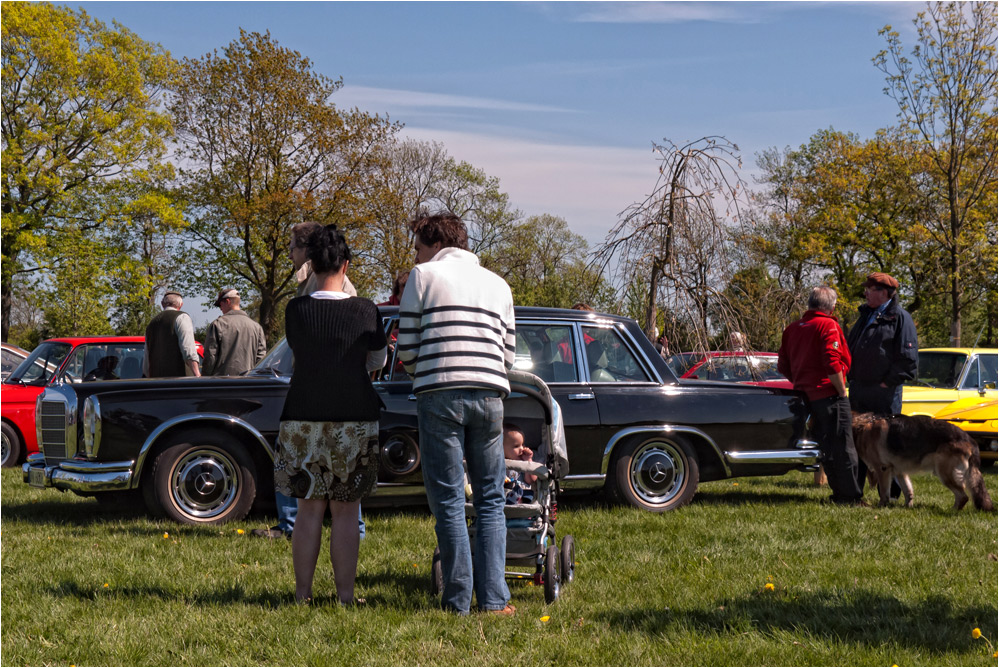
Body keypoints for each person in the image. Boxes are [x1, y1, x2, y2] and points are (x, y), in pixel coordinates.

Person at [396, 212, 517, 616]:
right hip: (490, 395)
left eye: (417, 246)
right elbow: (509, 353)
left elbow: (407, 346)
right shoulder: (499, 285)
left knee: (448, 498)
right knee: (490, 499)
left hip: (439, 392)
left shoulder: (423, 276)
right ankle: (495, 599)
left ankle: (458, 599)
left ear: (433, 244)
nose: (416, 254)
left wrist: (423, 373)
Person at [272, 224, 387, 605]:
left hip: (302, 413)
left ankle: (302, 593)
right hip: (353, 414)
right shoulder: (366, 310)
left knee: (307, 508)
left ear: (312, 263)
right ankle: (346, 596)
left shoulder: (295, 310)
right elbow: (377, 359)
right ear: (346, 265)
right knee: (346, 510)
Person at [253, 221, 365, 540]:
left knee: (330, 464)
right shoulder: (308, 283)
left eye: (292, 247)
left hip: (329, 393)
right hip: (321, 390)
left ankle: (310, 525)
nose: (289, 254)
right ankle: (313, 525)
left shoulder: (334, 287)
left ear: (305, 250)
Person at [778, 286, 865, 505]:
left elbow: (782, 366)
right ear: (831, 306)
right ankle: (850, 496)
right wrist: (841, 389)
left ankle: (839, 493)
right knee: (844, 447)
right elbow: (832, 361)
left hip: (805, 396)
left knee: (826, 447)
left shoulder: (792, 328)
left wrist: (800, 379)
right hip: (829, 394)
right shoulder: (828, 325)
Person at [845, 271, 918, 496]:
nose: (866, 292)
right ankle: (854, 491)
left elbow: (908, 359)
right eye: (866, 288)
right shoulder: (865, 316)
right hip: (859, 390)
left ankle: (893, 493)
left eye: (871, 289)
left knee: (887, 443)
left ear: (885, 293)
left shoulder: (900, 318)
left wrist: (888, 383)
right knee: (857, 441)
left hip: (884, 393)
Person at [202, 288, 267, 376]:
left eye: (220, 305)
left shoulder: (218, 324)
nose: (220, 308)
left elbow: (210, 356)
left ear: (228, 301)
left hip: (222, 384)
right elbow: (261, 358)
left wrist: (205, 378)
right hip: (248, 383)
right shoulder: (256, 327)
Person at [143, 291, 201, 378]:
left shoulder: (151, 324)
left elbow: (147, 359)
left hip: (156, 383)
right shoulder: (182, 317)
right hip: (179, 383)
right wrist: (197, 375)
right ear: (181, 305)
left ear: (163, 304)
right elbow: (188, 349)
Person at [502, 423, 536, 505]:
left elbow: (531, 480)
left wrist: (528, 461)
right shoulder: (498, 462)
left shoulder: (523, 462)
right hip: (503, 494)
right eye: (516, 446)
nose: (522, 448)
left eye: (522, 444)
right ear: (501, 448)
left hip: (523, 496)